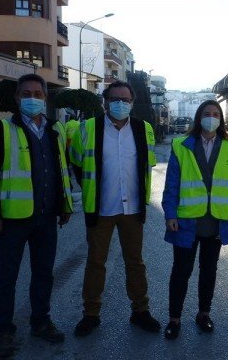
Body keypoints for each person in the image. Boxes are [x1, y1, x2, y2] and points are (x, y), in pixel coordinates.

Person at [0, 74, 73, 357]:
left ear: (45, 97)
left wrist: (64, 206)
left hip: (47, 217)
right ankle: (4, 329)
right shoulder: (2, 131)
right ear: (17, 98)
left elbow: (60, 171)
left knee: (43, 273)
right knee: (7, 276)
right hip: (13, 219)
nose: (32, 98)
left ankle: (41, 321)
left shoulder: (55, 129)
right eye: (26, 93)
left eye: (38, 94)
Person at [69, 80, 160, 336]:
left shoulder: (144, 129)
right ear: (105, 102)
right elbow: (76, 161)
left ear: (132, 102)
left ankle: (140, 311)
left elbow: (147, 164)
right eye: (115, 99)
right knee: (95, 262)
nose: (120, 104)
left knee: (136, 262)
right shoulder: (88, 128)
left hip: (133, 208)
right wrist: (91, 188)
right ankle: (91, 314)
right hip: (101, 209)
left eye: (125, 100)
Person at [161, 100, 228, 340]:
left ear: (221, 119)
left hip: (217, 220)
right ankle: (174, 319)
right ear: (199, 117)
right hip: (187, 220)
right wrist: (170, 213)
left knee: (209, 270)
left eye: (216, 114)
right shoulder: (181, 145)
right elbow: (172, 184)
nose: (211, 117)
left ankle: (204, 314)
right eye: (207, 113)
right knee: (181, 270)